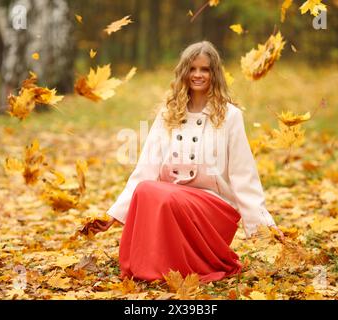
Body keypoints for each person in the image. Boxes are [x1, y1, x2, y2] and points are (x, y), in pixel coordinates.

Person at [93, 41, 284, 283]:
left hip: (214, 209)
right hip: (173, 202)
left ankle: (177, 264)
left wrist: (263, 225)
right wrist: (112, 215)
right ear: (184, 72)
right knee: (147, 189)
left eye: (204, 69)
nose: (198, 75)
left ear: (214, 73)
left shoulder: (230, 116)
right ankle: (155, 269)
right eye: (192, 69)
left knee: (163, 195)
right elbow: (145, 169)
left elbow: (243, 173)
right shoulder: (168, 113)